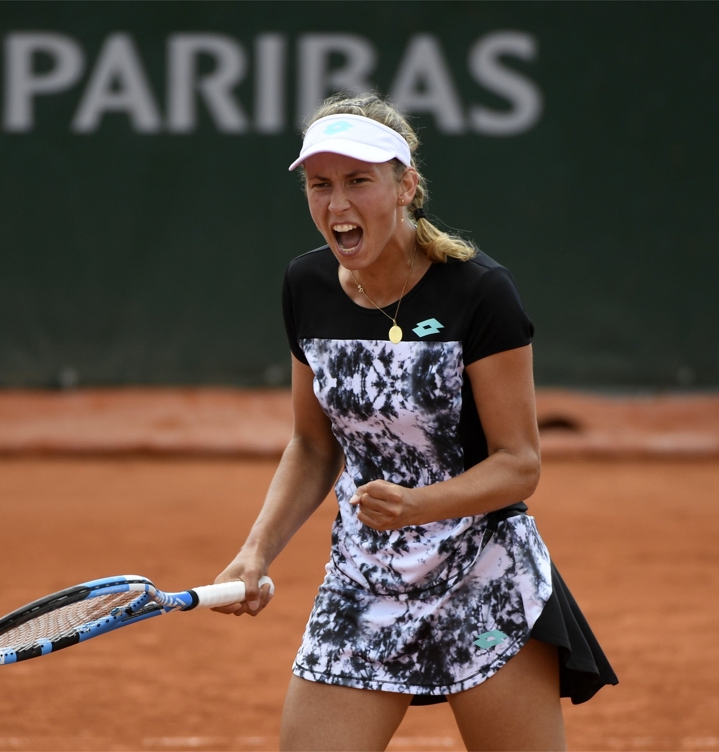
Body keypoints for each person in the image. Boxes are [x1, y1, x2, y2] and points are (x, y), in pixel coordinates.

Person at [212, 93, 617, 751]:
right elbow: (313, 447)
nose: (336, 205)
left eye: (358, 181)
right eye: (320, 186)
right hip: (364, 580)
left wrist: (419, 505)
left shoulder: (480, 292)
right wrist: (254, 552)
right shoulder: (306, 287)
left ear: (407, 185)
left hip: (483, 576)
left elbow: (520, 464)